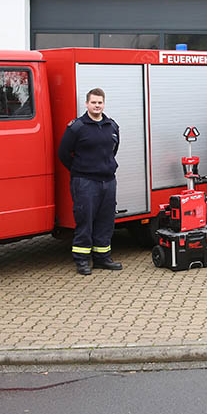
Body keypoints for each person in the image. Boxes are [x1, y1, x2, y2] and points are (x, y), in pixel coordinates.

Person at [58, 88, 123, 276]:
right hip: (85, 182)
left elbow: (113, 149)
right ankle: (82, 261)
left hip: (108, 181)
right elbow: (63, 153)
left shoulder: (112, 126)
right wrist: (80, 170)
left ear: (104, 104)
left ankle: (103, 258)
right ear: (87, 104)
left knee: (106, 221)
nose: (97, 106)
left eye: (100, 102)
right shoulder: (77, 127)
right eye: (93, 102)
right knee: (84, 221)